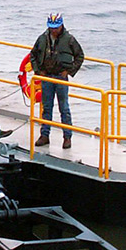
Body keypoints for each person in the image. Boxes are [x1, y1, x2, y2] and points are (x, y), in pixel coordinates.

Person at [30, 12, 84, 148]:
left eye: (56, 27)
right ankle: (44, 135)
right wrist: (38, 71)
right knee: (46, 107)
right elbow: (33, 55)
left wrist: (70, 71)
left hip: (61, 77)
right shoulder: (42, 38)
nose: (54, 30)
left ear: (61, 26)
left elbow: (80, 56)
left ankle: (67, 137)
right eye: (52, 27)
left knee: (64, 108)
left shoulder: (69, 39)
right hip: (46, 76)